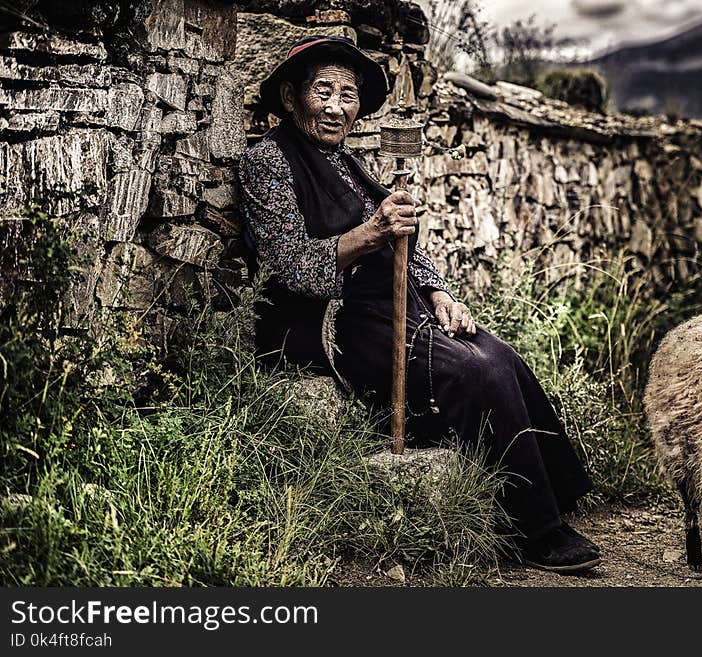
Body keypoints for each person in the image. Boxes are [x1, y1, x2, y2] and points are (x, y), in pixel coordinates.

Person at [238, 35, 602, 573]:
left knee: (500, 357)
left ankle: (559, 493)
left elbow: (405, 246)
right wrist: (373, 230)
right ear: (291, 99)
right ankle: (539, 533)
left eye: (349, 94)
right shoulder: (269, 162)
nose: (338, 106)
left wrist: (439, 291)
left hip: (392, 306)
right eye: (324, 91)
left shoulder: (348, 163)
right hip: (330, 323)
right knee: (471, 374)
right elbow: (292, 267)